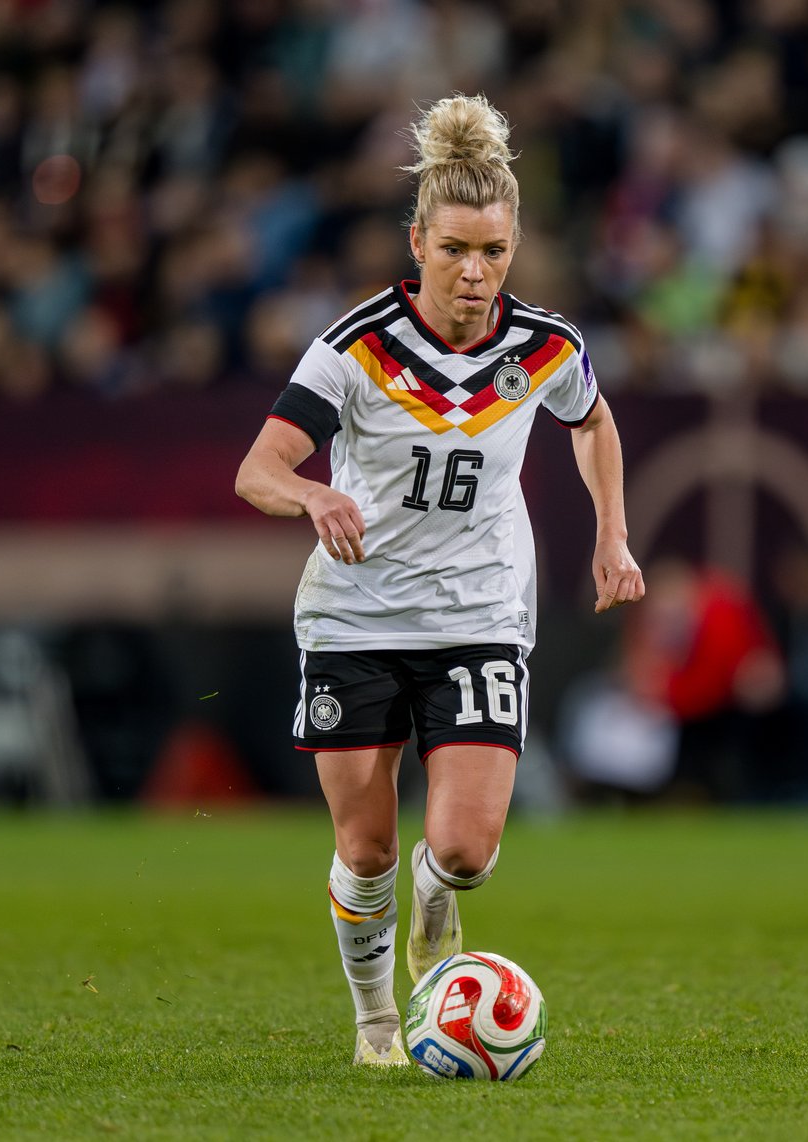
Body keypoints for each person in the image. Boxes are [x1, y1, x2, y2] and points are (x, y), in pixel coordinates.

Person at [235, 94, 645, 1064]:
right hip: (357, 616)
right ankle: (378, 1017)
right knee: (365, 848)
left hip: (479, 612)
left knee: (463, 850)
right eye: (457, 248)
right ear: (417, 239)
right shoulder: (356, 346)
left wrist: (611, 536)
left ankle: (437, 899)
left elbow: (590, 419)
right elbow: (256, 468)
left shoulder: (543, 345)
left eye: (494, 252)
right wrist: (310, 496)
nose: (475, 271)